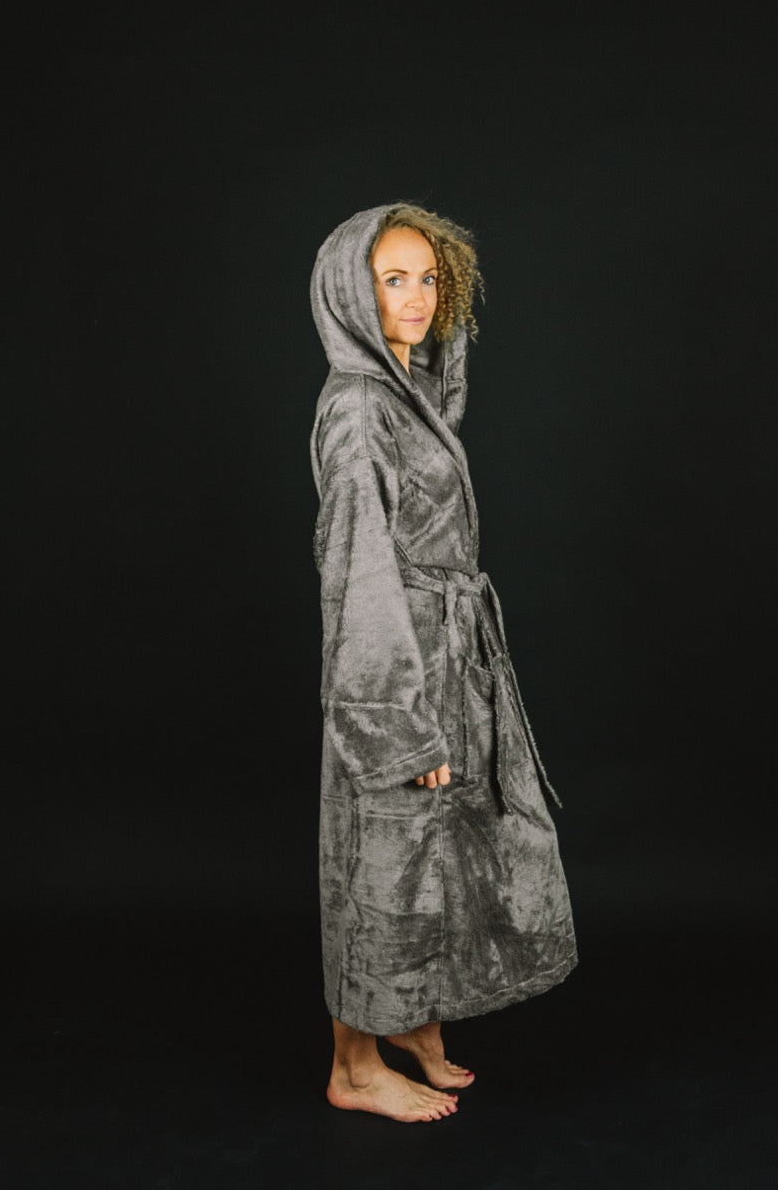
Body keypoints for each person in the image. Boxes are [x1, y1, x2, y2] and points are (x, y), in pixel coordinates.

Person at [309, 202, 577, 1123]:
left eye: (428, 277)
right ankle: (354, 1064)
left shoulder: (406, 396)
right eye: (393, 279)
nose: (417, 297)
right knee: (382, 859)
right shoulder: (357, 407)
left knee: (438, 851)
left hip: (446, 658)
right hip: (393, 671)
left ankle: (414, 1021)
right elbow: (357, 569)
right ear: (352, 291)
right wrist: (397, 722)